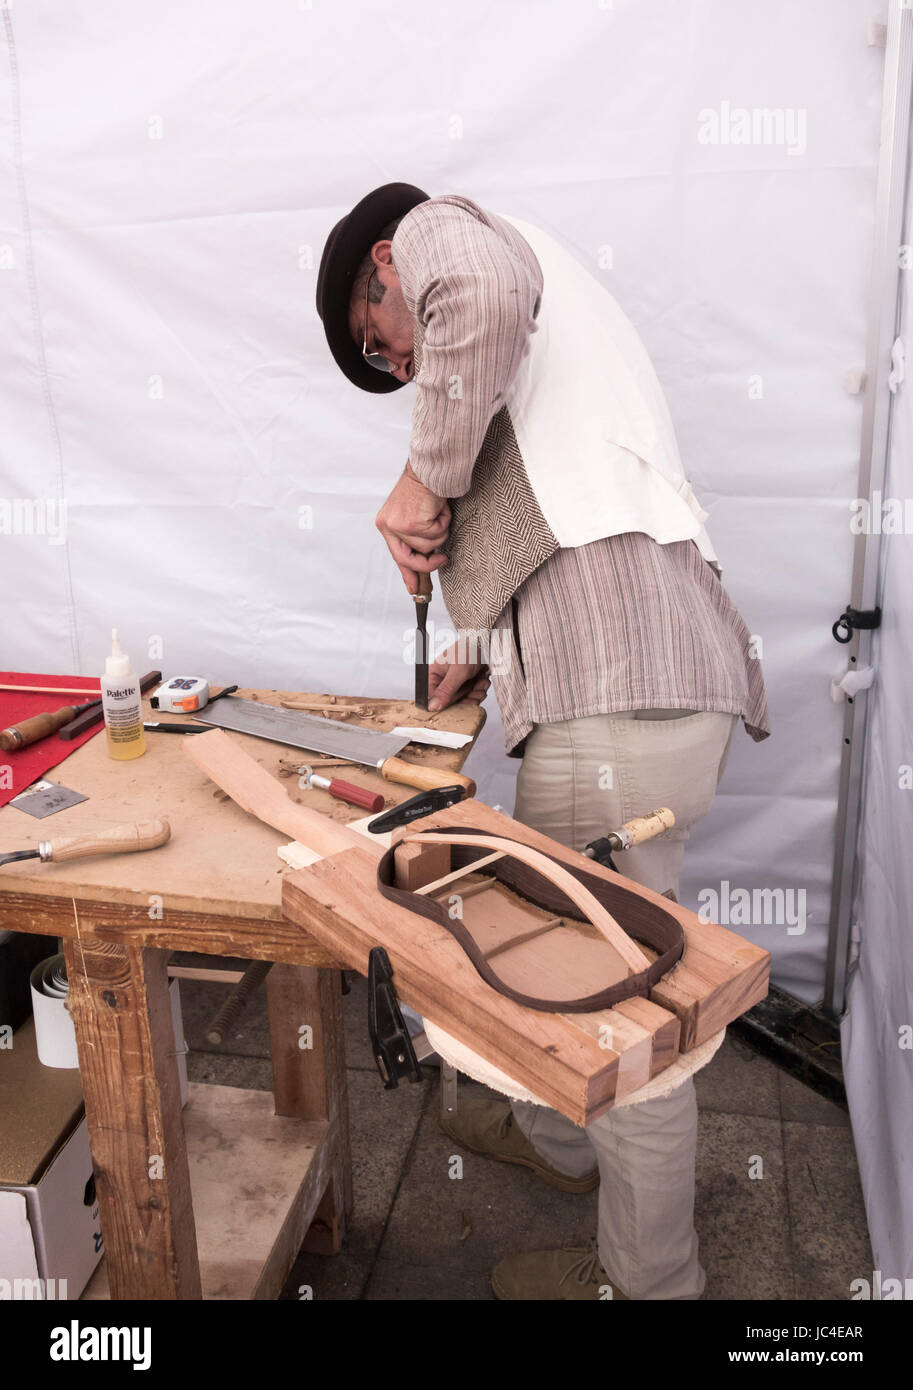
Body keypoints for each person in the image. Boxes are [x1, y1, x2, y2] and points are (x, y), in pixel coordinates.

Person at [317, 183, 770, 1300]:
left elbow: (472, 298)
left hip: (625, 703)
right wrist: (477, 639)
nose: (408, 375)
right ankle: (568, 1151)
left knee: (617, 1020)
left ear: (388, 262)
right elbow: (568, 511)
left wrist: (423, 480)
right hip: (654, 683)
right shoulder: (552, 300)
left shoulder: (448, 234)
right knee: (593, 972)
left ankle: (650, 1285)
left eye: (386, 344)